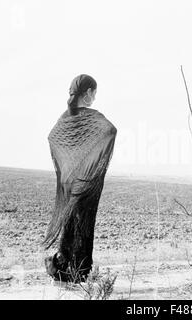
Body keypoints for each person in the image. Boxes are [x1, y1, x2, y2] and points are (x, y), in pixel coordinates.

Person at [43, 74, 117, 283]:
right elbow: (111, 130)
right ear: (88, 93)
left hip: (69, 182)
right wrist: (88, 162)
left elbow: (53, 136)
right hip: (85, 182)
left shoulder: (65, 117)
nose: (95, 97)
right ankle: (78, 271)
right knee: (83, 225)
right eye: (94, 93)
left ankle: (64, 268)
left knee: (69, 224)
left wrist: (68, 163)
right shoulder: (92, 118)